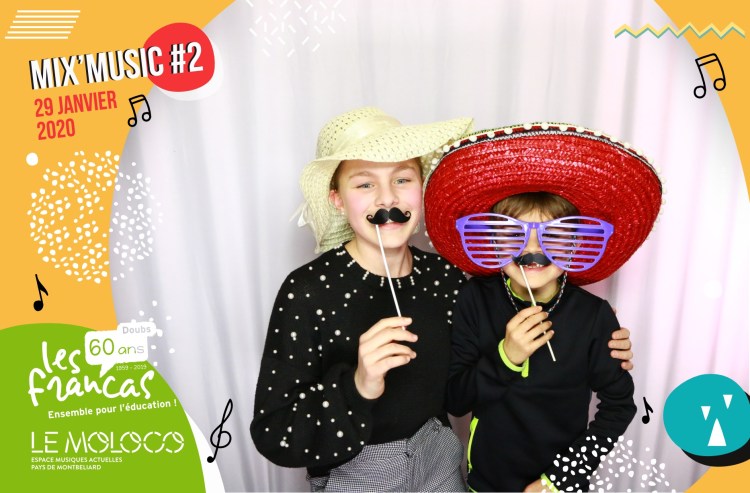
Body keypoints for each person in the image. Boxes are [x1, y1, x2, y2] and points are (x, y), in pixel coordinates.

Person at [250, 109, 635, 492]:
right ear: (337, 199)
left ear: (421, 187)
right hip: (360, 471)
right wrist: (358, 385)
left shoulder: (446, 277)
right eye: (364, 184)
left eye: (402, 179)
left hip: (441, 461)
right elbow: (275, 433)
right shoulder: (307, 290)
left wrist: (594, 329)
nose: (387, 198)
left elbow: (498, 324)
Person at [423, 123, 662, 492]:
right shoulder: (474, 299)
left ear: (576, 244)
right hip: (487, 481)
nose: (531, 249)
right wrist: (506, 357)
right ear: (492, 240)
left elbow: (619, 407)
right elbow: (455, 400)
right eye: (512, 233)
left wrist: (558, 481)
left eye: (555, 235)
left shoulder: (594, 316)